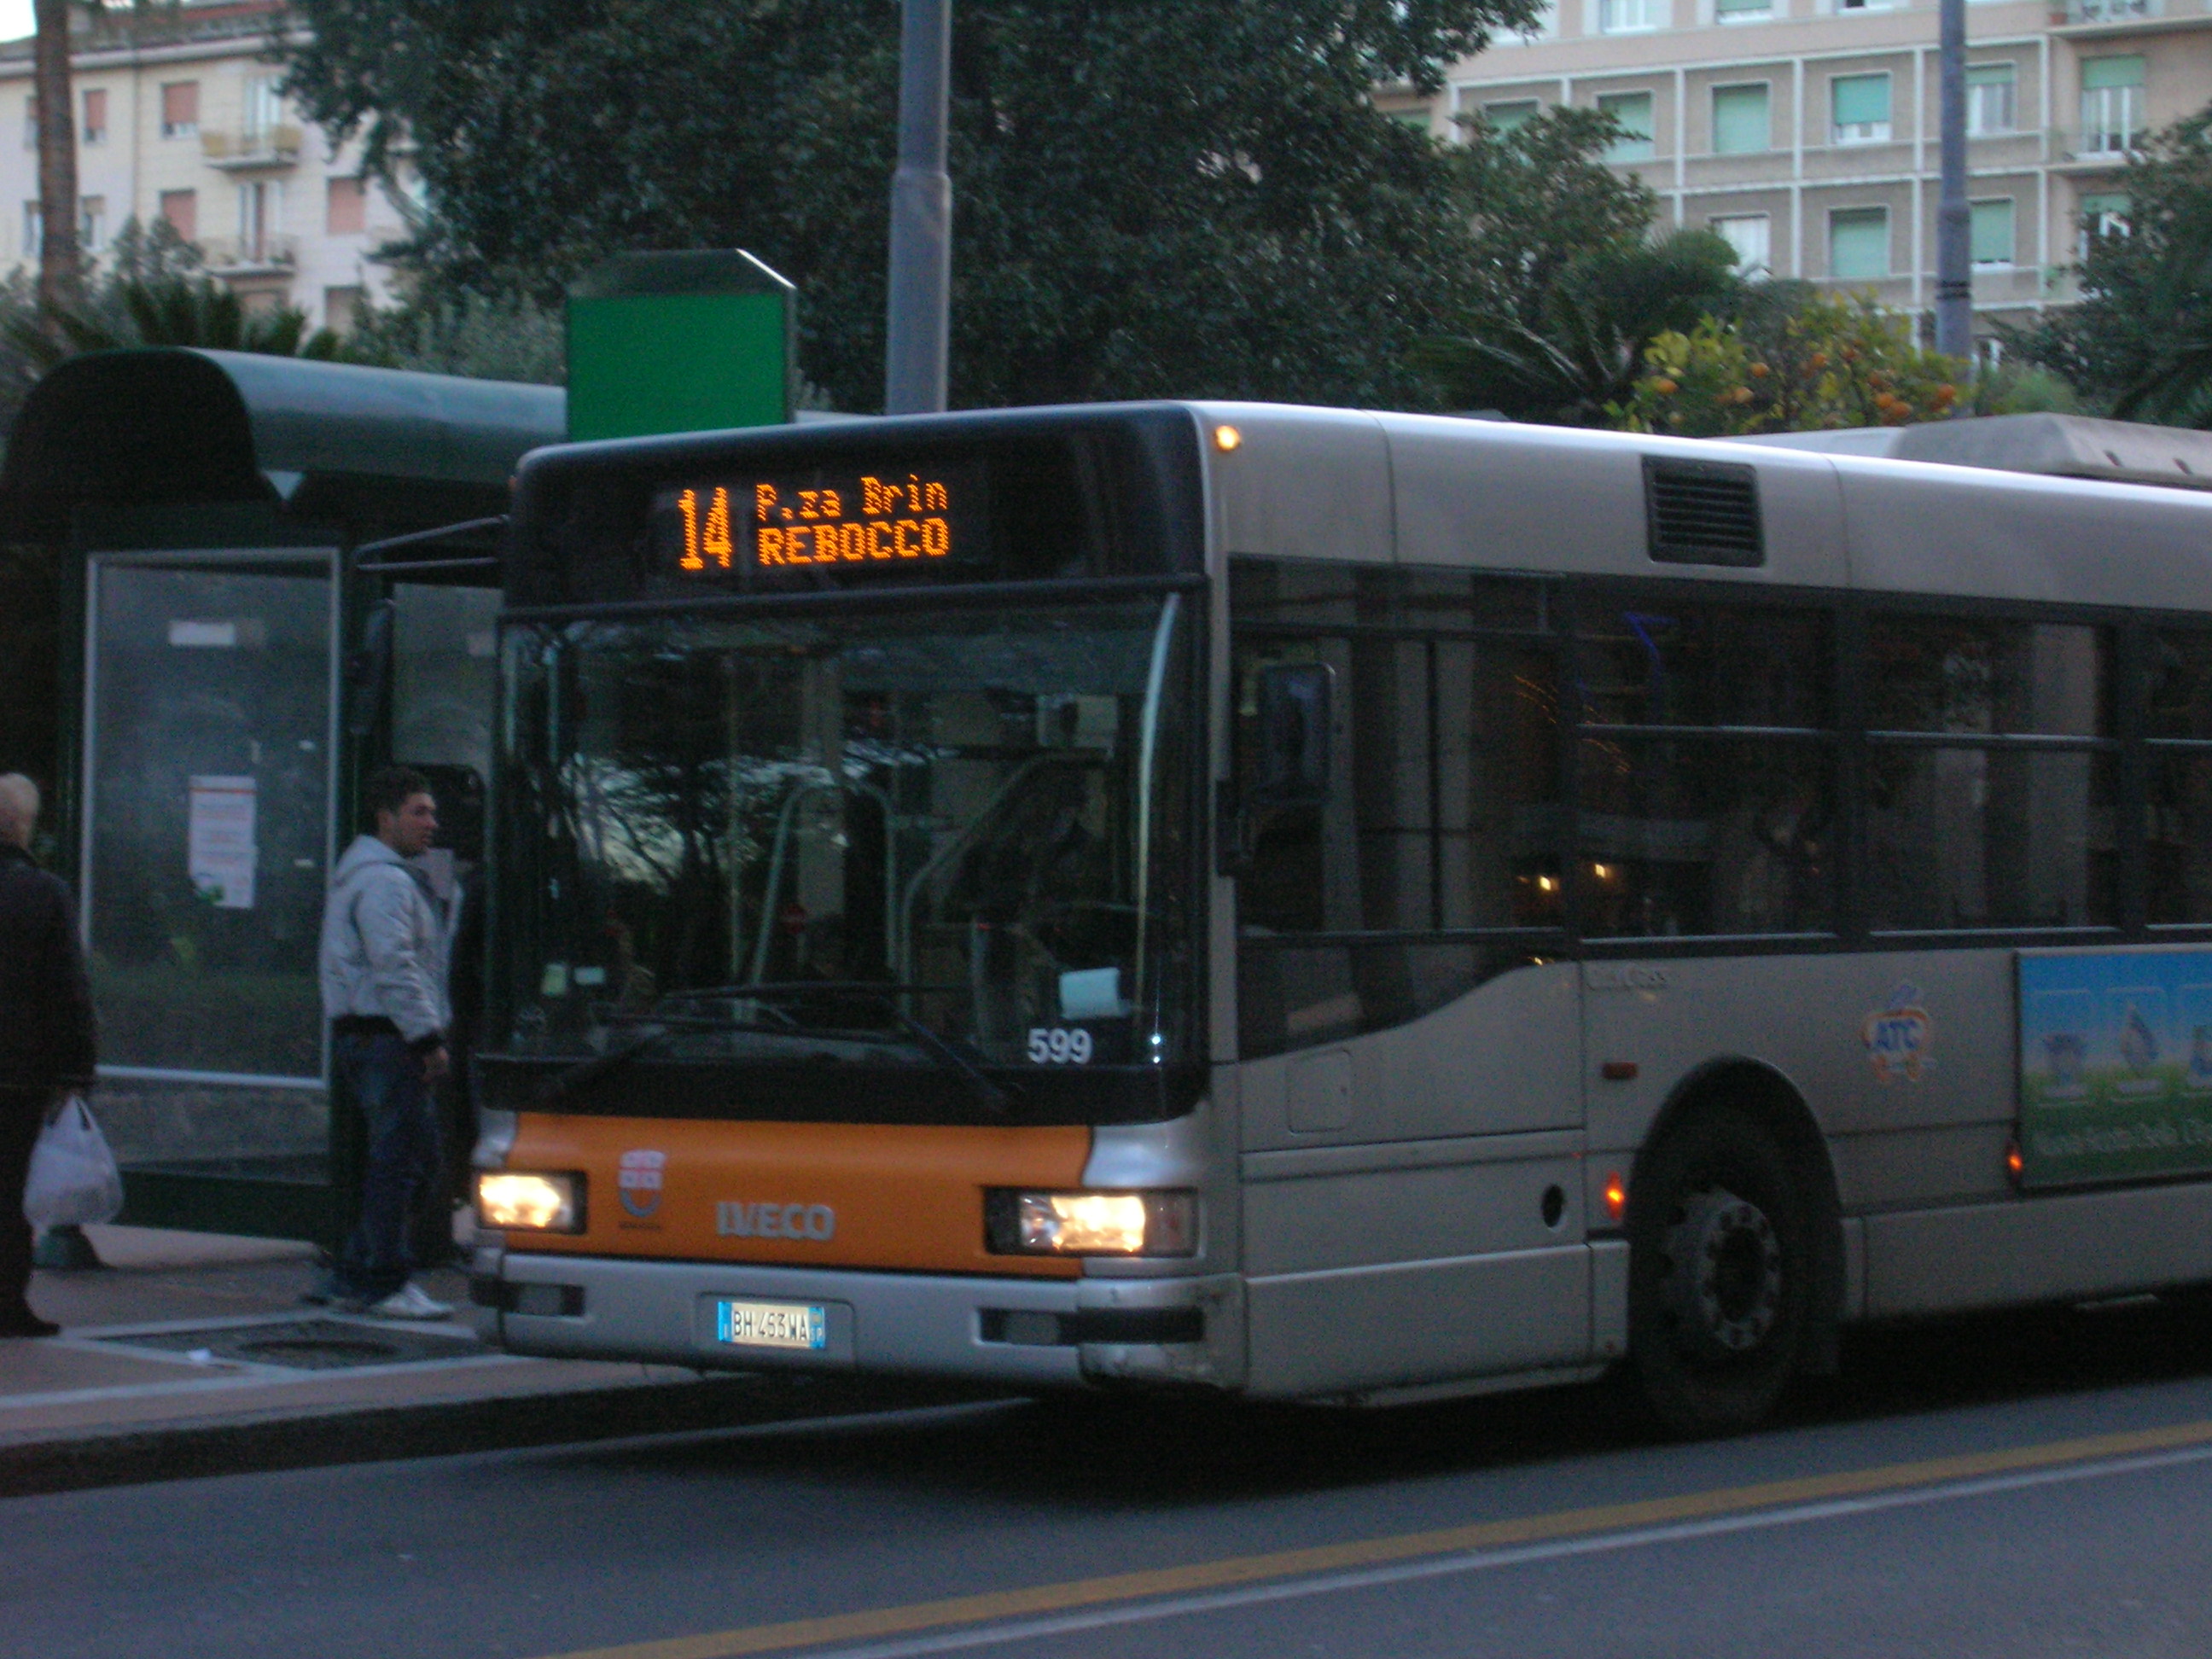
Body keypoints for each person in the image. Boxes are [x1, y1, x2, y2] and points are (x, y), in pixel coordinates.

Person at [318, 766, 455, 1319]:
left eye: (432, 812)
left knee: (406, 1159)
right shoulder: (385, 882)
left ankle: (359, 1269)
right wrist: (426, 1038)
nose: (431, 822)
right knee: (406, 1162)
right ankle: (385, 1279)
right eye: (419, 811)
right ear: (386, 819)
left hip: (372, 1037)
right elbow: (395, 965)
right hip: (389, 1038)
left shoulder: (365, 877)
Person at [0, 774, 96, 1338]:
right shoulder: (44, 892)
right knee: (8, 1191)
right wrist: (75, 1069)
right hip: (17, 1072)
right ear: (24, 826)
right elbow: (69, 988)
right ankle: (7, 1303)